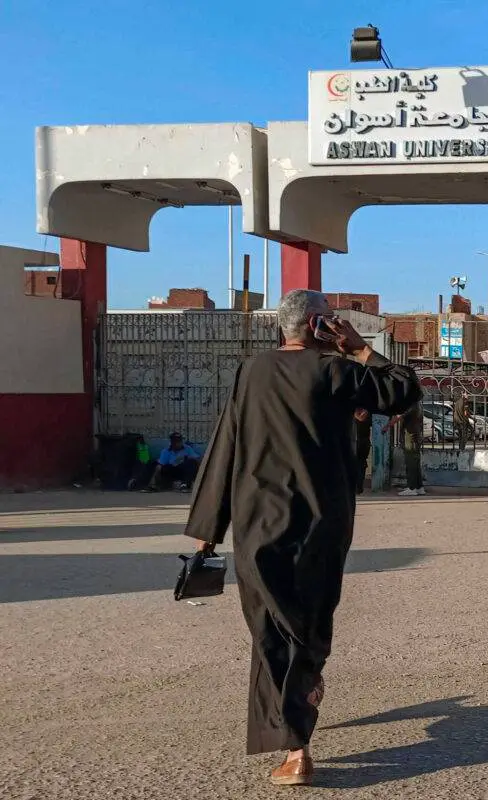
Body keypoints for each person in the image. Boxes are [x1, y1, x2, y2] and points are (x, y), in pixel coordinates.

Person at [182, 289, 421, 787]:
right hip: (323, 524)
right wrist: (358, 347)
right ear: (317, 326)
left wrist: (208, 532)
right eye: (331, 322)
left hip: (258, 524)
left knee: (273, 630)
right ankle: (299, 730)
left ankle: (295, 741)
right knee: (307, 629)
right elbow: (402, 389)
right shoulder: (337, 372)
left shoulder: (251, 371)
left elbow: (224, 446)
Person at [384, 404, 426, 496]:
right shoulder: (418, 404)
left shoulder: (410, 404)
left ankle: (412, 488)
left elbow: (399, 416)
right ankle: (419, 487)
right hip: (416, 435)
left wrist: (387, 425)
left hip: (410, 435)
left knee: (410, 462)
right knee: (415, 463)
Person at [353, 408, 372, 494]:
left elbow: (360, 418)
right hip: (364, 441)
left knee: (358, 464)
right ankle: (359, 488)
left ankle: (357, 487)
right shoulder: (368, 412)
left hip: (358, 441)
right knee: (361, 464)